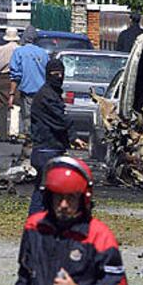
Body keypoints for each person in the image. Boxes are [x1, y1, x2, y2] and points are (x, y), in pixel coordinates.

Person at [0, 156, 128, 285]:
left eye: (71, 197)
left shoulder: (98, 235)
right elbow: (26, 273)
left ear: (83, 199)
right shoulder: (35, 226)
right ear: (48, 197)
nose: (63, 205)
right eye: (58, 197)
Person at [29, 59, 86, 214]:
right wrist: (73, 137)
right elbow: (60, 120)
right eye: (55, 74)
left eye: (61, 73)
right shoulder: (47, 95)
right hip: (46, 149)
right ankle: (35, 223)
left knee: (46, 190)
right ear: (48, 75)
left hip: (50, 148)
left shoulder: (51, 93)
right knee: (45, 191)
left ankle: (42, 221)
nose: (59, 77)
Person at [9, 25, 49, 138]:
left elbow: (15, 75)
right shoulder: (43, 53)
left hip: (27, 90)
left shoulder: (19, 52)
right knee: (40, 116)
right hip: (42, 91)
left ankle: (30, 139)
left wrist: (12, 93)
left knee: (27, 116)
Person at [0, 27, 21, 142]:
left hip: (2, 79)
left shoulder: (0, 50)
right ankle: (14, 133)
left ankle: (3, 134)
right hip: (16, 79)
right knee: (15, 106)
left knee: (2, 108)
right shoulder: (20, 49)